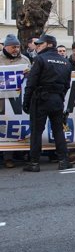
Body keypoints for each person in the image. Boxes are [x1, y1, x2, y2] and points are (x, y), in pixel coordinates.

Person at [22, 34, 74, 171]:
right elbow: (67, 85)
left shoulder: (39, 59)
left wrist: (26, 101)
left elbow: (31, 83)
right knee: (58, 131)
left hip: (40, 99)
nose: (37, 46)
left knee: (36, 131)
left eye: (40, 44)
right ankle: (63, 161)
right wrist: (60, 97)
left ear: (50, 44)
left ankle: (34, 163)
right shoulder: (65, 62)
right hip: (56, 99)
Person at [0, 34, 31, 168]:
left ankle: (21, 154)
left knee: (18, 125)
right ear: (6, 47)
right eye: (13, 47)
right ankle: (7, 156)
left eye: (18, 47)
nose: (16, 49)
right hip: (2, 99)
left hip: (18, 98)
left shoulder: (25, 59)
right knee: (4, 127)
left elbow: (31, 75)